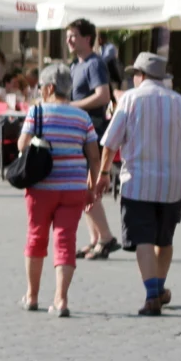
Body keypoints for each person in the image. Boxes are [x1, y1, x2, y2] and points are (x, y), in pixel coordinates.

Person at [94, 53, 181, 316]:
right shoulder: (179, 102)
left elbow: (110, 142)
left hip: (137, 183)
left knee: (144, 240)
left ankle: (151, 296)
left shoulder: (130, 100)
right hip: (173, 185)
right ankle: (158, 289)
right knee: (164, 239)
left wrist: (103, 174)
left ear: (141, 75)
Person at [18, 64, 101, 317]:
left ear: (50, 88)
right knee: (65, 241)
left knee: (36, 237)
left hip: (41, 186)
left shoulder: (37, 112)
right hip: (74, 188)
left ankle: (32, 296)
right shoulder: (82, 117)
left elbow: (22, 145)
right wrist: (92, 187)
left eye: (41, 87)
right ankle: (60, 299)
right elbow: (94, 157)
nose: (39, 91)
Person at [66, 18, 120, 260]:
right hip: (81, 131)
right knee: (82, 187)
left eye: (73, 35)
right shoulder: (75, 65)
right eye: (68, 35)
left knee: (87, 187)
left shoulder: (94, 64)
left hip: (93, 132)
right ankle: (96, 238)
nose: (69, 39)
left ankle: (106, 237)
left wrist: (71, 105)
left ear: (88, 39)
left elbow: (103, 96)